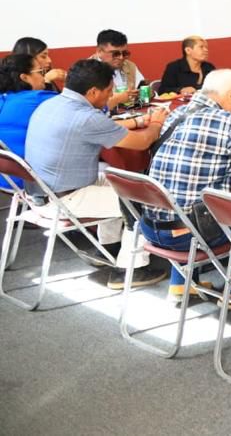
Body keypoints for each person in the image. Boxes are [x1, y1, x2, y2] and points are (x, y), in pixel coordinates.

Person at [25, 60, 169, 289]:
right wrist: (157, 124)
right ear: (93, 92)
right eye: (109, 91)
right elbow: (142, 142)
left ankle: (108, 248)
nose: (111, 96)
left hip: (40, 191)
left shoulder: (51, 104)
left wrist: (140, 120)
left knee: (124, 182)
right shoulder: (87, 117)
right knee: (143, 200)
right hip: (64, 197)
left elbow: (104, 126)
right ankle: (130, 270)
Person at [144, 69, 231, 303]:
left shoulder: (176, 113)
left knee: (183, 200)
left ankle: (181, 284)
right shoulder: (229, 122)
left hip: (150, 227)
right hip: (192, 234)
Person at [0, 54, 57, 188]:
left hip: (5, 181)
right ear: (24, 77)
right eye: (41, 72)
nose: (44, 77)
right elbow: (80, 106)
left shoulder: (3, 99)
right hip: (32, 181)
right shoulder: (38, 98)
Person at [92, 29, 143, 107]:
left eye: (124, 53)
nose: (121, 57)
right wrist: (117, 99)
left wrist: (149, 93)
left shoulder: (129, 65)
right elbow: (88, 107)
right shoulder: (87, 71)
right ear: (99, 51)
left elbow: (143, 89)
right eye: (115, 54)